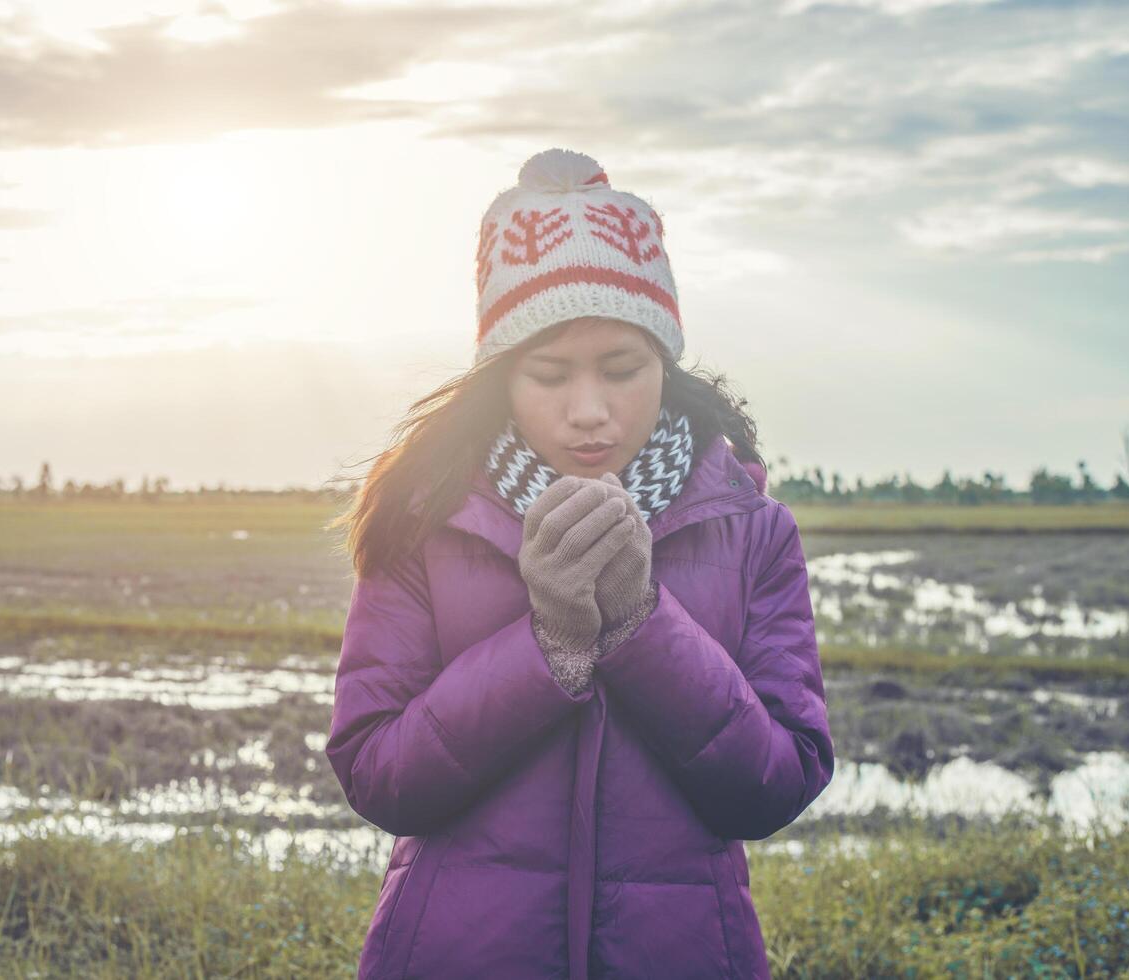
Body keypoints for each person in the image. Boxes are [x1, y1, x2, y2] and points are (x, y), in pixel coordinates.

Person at [325, 148, 835, 979]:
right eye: (549, 374)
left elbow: (775, 787)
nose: (588, 412)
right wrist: (549, 646)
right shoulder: (425, 523)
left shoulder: (751, 530)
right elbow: (380, 780)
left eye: (623, 370)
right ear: (501, 378)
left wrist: (640, 622)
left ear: (665, 369)